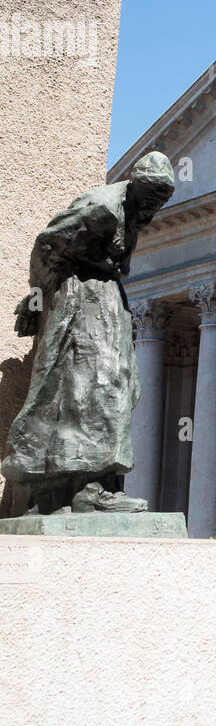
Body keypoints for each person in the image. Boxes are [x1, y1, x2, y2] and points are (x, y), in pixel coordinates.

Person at [3, 151, 175, 516]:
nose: (157, 204)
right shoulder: (103, 208)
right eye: (153, 193)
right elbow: (48, 244)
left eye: (164, 196)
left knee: (124, 384)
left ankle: (100, 482)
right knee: (97, 384)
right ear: (136, 184)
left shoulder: (135, 211)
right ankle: (87, 487)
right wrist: (36, 299)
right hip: (80, 294)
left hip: (108, 294)